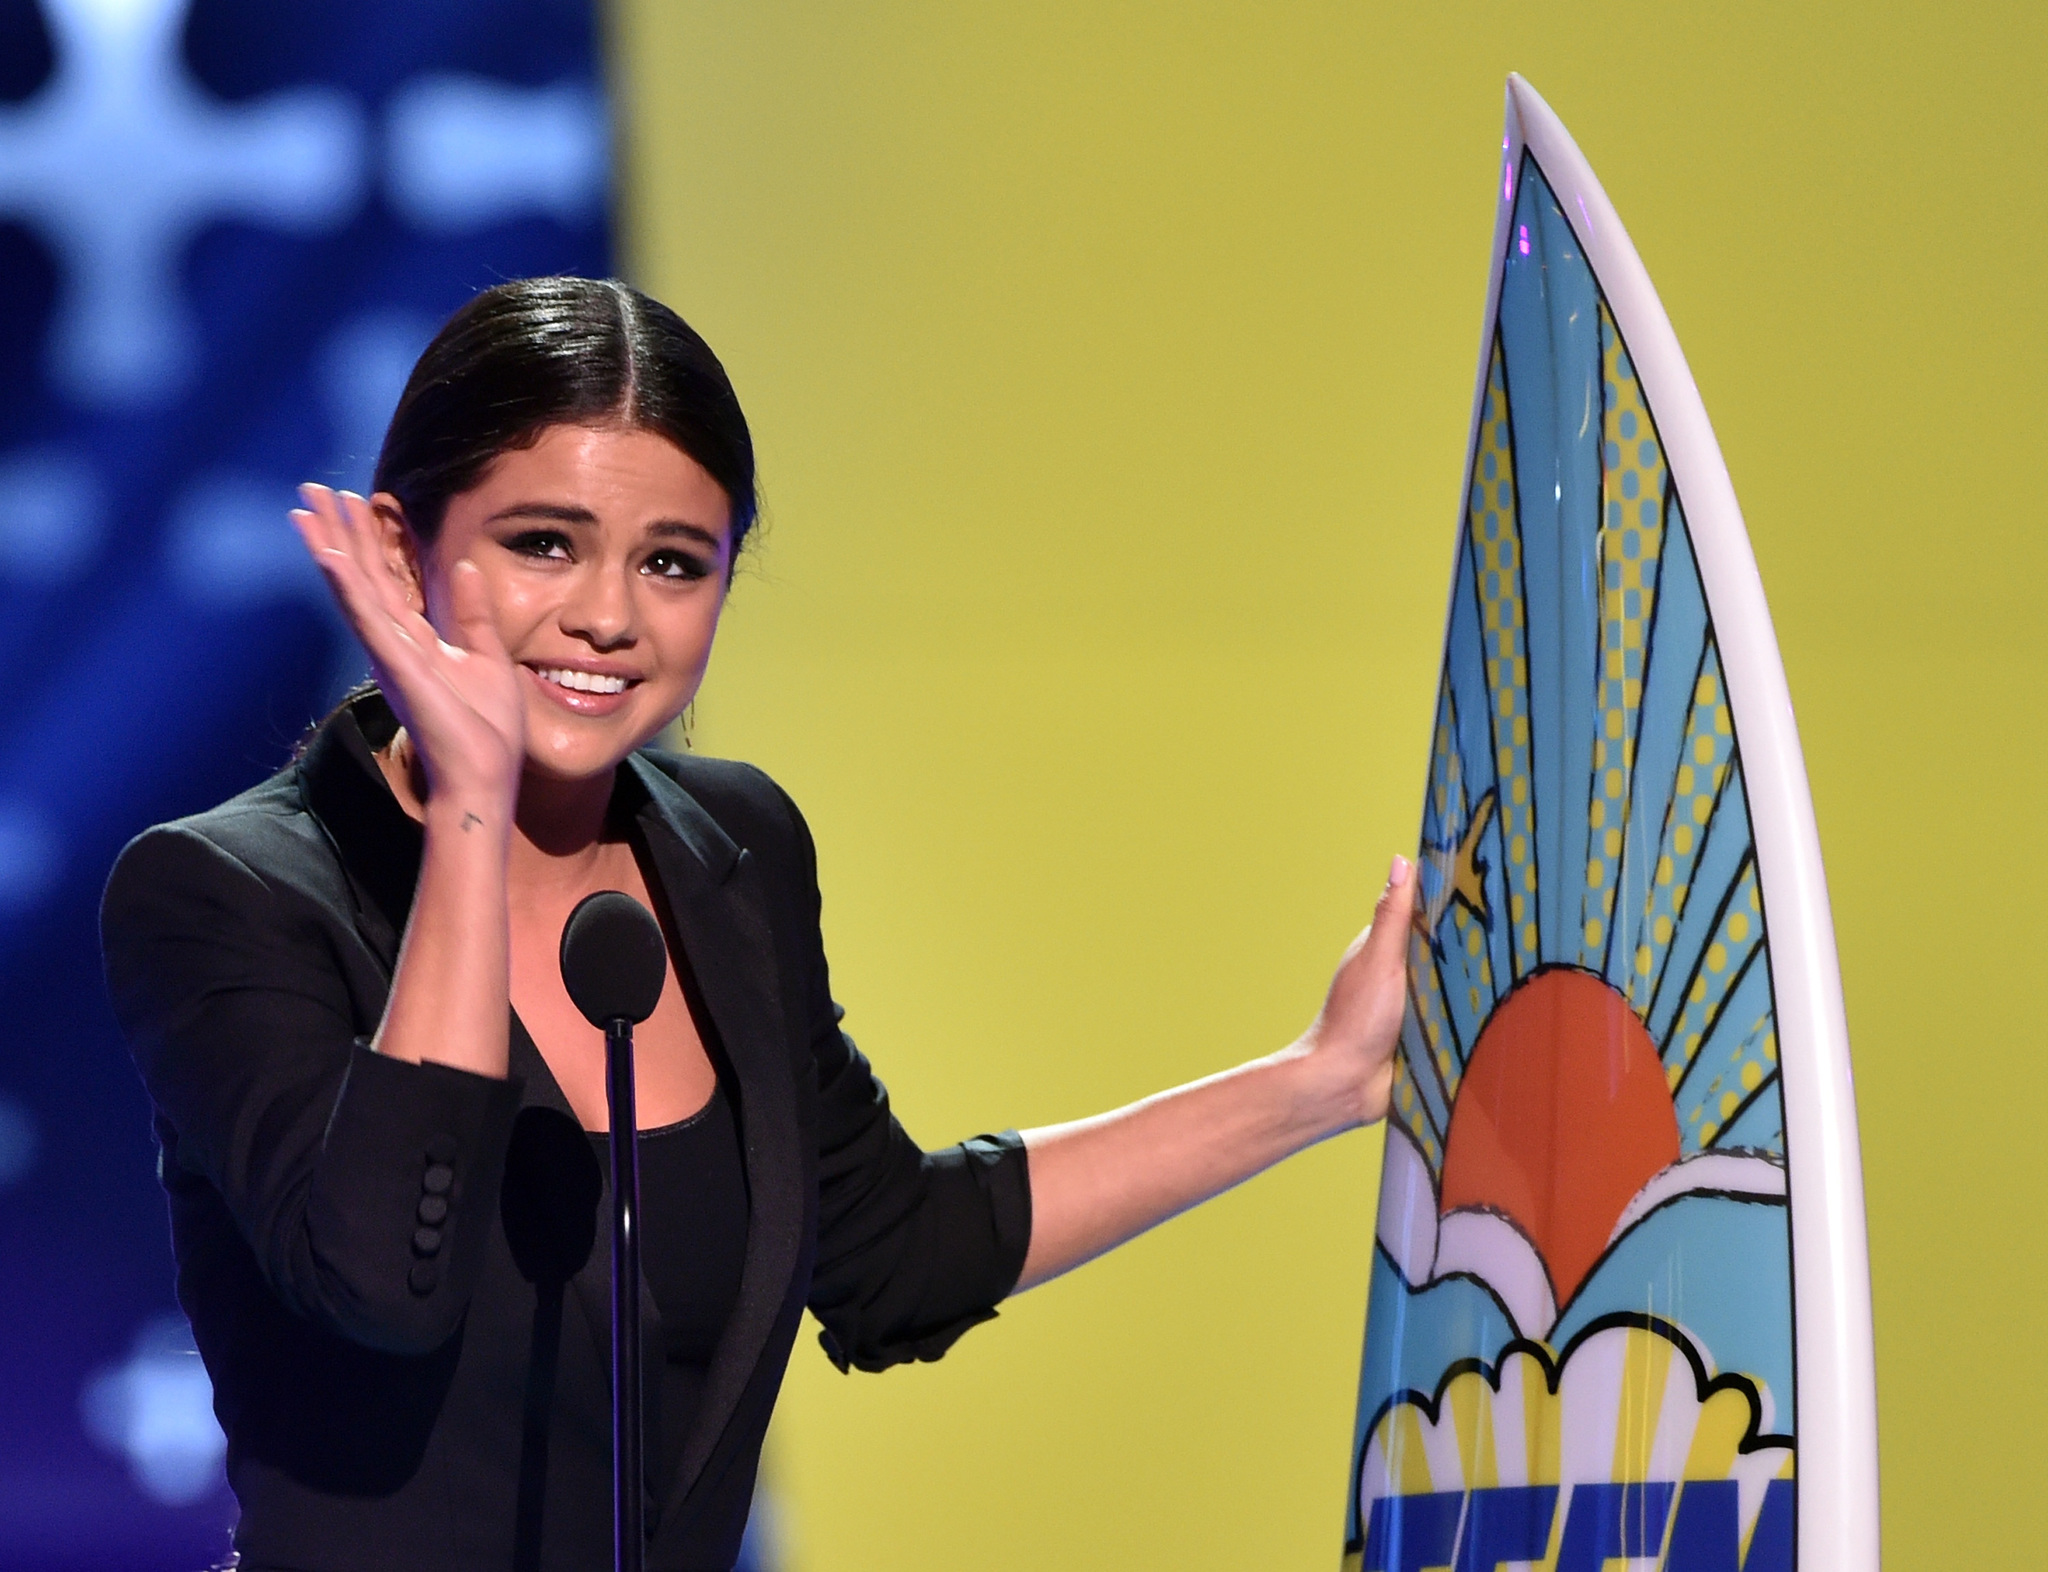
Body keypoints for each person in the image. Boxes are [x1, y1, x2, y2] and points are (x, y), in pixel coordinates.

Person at [100, 276, 1416, 1572]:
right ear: (401, 553)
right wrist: (471, 811)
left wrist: (1319, 1082)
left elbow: (893, 1249)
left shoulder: (733, 852)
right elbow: (386, 1283)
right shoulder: (228, 894)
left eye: (671, 563)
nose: (609, 616)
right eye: (542, 543)